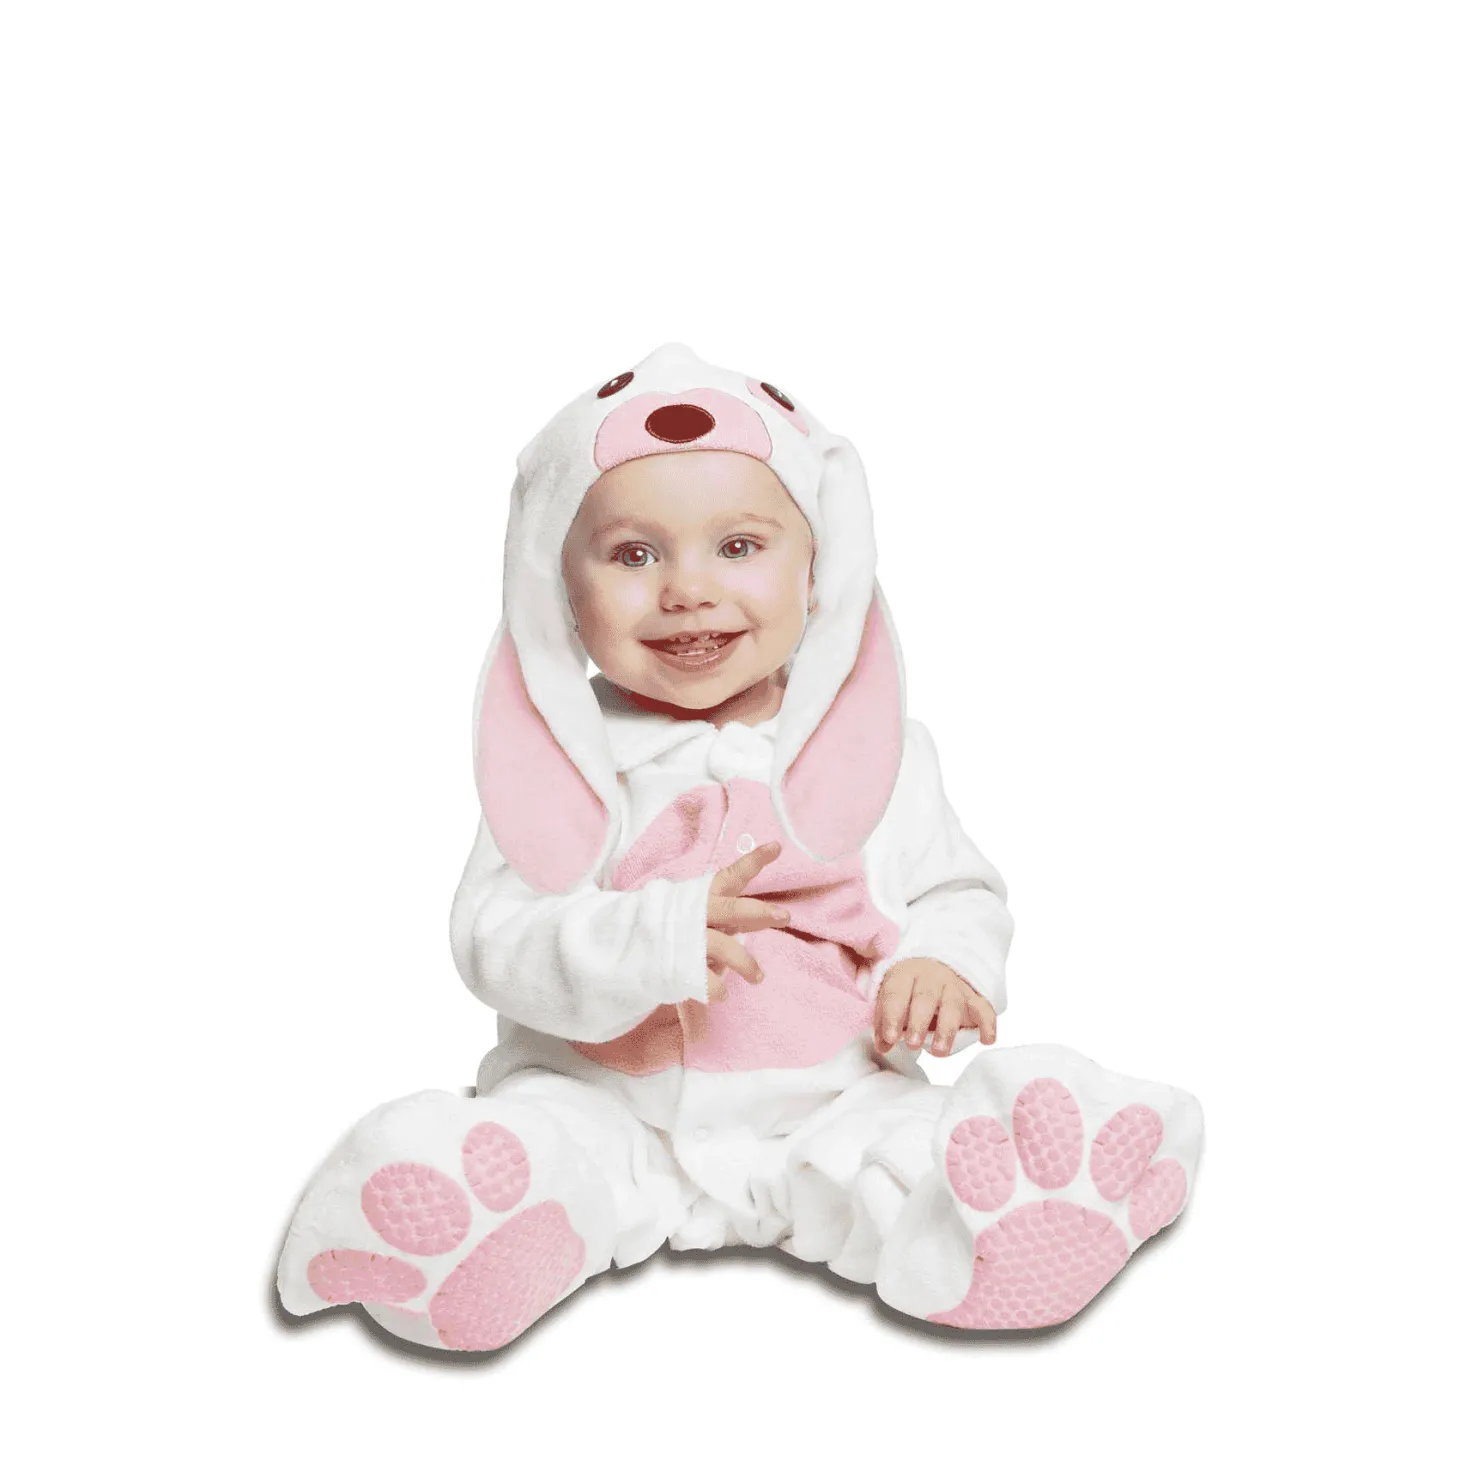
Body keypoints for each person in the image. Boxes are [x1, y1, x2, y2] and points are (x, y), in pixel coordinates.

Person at [276, 343, 1203, 1352]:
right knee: (540, 1146)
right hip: (605, 1105)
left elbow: (954, 891)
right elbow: (495, 935)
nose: (687, 589)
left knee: (901, 1154)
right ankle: (475, 1232)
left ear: (818, 570)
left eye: (738, 546)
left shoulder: (873, 747)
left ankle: (1006, 1219)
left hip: (832, 1102)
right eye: (634, 555)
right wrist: (652, 934)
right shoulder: (558, 755)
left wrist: (943, 963)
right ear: (558, 586)